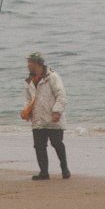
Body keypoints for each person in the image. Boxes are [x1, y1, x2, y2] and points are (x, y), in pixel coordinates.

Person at [22, 52, 70, 180]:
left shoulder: (53, 77)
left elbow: (62, 96)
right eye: (28, 62)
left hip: (53, 118)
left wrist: (57, 111)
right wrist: (26, 110)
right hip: (37, 119)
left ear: (38, 63)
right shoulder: (29, 80)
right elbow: (28, 98)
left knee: (57, 143)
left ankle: (65, 169)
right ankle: (44, 172)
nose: (28, 65)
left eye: (30, 62)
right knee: (39, 146)